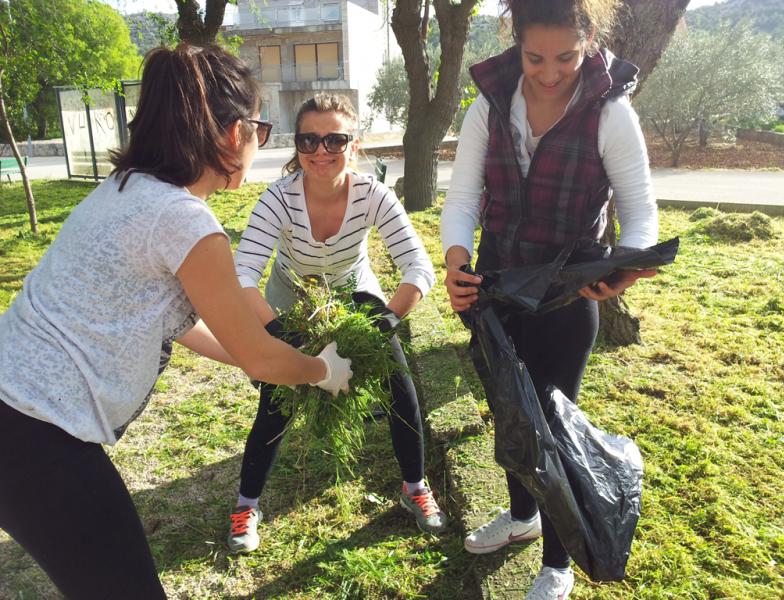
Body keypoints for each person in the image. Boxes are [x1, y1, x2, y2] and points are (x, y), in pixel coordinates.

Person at [0, 44, 353, 600]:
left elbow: (181, 323)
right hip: (38, 436)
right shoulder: (184, 220)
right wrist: (321, 370)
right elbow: (261, 354)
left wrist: (257, 356)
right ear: (232, 133)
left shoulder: (123, 190)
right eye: (259, 128)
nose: (260, 143)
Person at [440, 0, 659, 598]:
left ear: (589, 40)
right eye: (535, 57)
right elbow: (462, 199)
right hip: (495, 291)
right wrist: (457, 260)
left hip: (567, 297)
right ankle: (522, 517)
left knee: (554, 428)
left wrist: (622, 271)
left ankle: (558, 563)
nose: (550, 71)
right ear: (516, 43)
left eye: (566, 56)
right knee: (509, 415)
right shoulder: (491, 102)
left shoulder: (610, 112)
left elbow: (640, 217)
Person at [228, 93, 447, 553]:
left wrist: (386, 322)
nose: (321, 150)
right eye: (309, 139)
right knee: (276, 396)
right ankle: (247, 505)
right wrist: (281, 335)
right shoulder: (279, 197)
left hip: (355, 292)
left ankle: (415, 487)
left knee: (399, 384)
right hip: (290, 297)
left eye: (335, 139)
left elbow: (419, 269)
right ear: (297, 144)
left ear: (355, 144)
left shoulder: (373, 194)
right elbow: (243, 273)